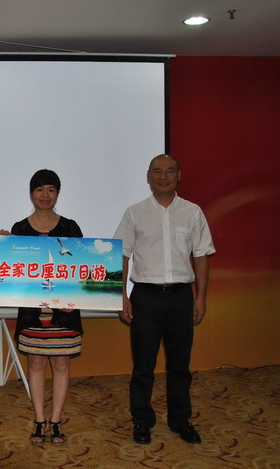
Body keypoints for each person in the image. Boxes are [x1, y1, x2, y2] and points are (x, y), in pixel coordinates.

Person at [113, 154, 215, 445]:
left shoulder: (193, 212)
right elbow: (122, 255)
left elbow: (201, 256)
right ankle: (142, 421)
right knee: (143, 366)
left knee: (180, 365)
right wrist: (121, 295)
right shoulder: (135, 213)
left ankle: (180, 419)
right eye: (157, 171)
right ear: (148, 176)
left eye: (170, 171)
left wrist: (200, 297)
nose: (163, 176)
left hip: (181, 297)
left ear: (179, 175)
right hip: (145, 297)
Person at [0, 169, 84, 445]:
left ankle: (55, 421)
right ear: (31, 193)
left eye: (51, 190)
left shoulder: (70, 228)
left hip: (64, 312)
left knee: (61, 363)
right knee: (35, 363)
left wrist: (73, 299)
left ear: (58, 194)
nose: (45, 195)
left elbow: (81, 269)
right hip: (33, 312)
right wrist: (3, 245)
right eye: (40, 189)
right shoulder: (20, 229)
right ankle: (39, 420)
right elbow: (14, 273)